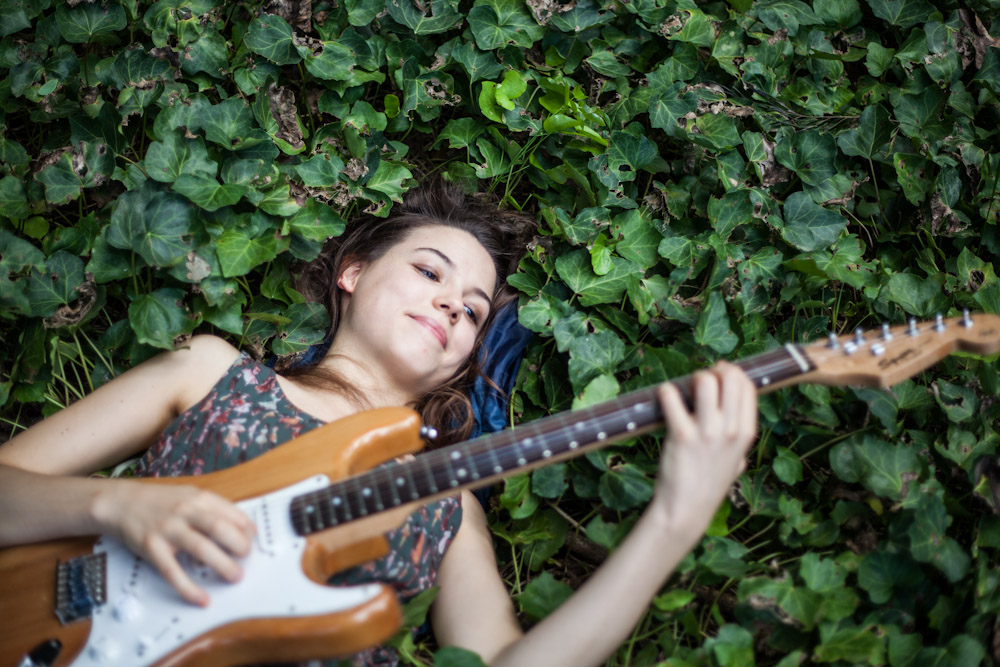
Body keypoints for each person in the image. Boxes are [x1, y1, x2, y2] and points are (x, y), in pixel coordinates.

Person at [0, 182, 758, 666]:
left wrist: (676, 519)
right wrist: (119, 503)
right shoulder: (211, 372)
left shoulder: (445, 500)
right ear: (353, 272)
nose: (451, 304)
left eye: (473, 312)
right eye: (429, 272)